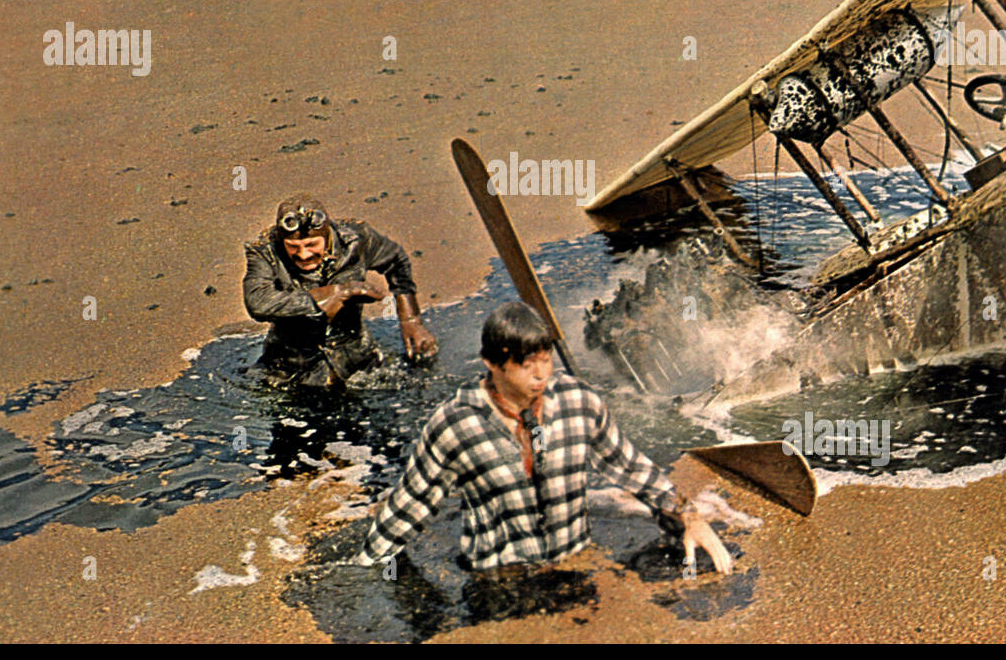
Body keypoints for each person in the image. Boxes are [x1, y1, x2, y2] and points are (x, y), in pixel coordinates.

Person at [353, 301, 732, 575]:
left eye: (545, 359)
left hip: (572, 567)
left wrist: (689, 516)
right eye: (525, 364)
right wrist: (363, 575)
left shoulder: (578, 401)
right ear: (492, 364)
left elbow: (631, 468)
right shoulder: (456, 424)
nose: (540, 376)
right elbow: (410, 506)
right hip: (498, 577)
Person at [242, 193, 437, 395]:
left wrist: (411, 320)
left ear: (327, 238)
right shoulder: (265, 251)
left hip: (356, 360)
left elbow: (396, 260)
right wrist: (330, 295)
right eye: (293, 247)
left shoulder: (356, 240)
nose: (303, 255)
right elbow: (257, 302)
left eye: (311, 245)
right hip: (290, 368)